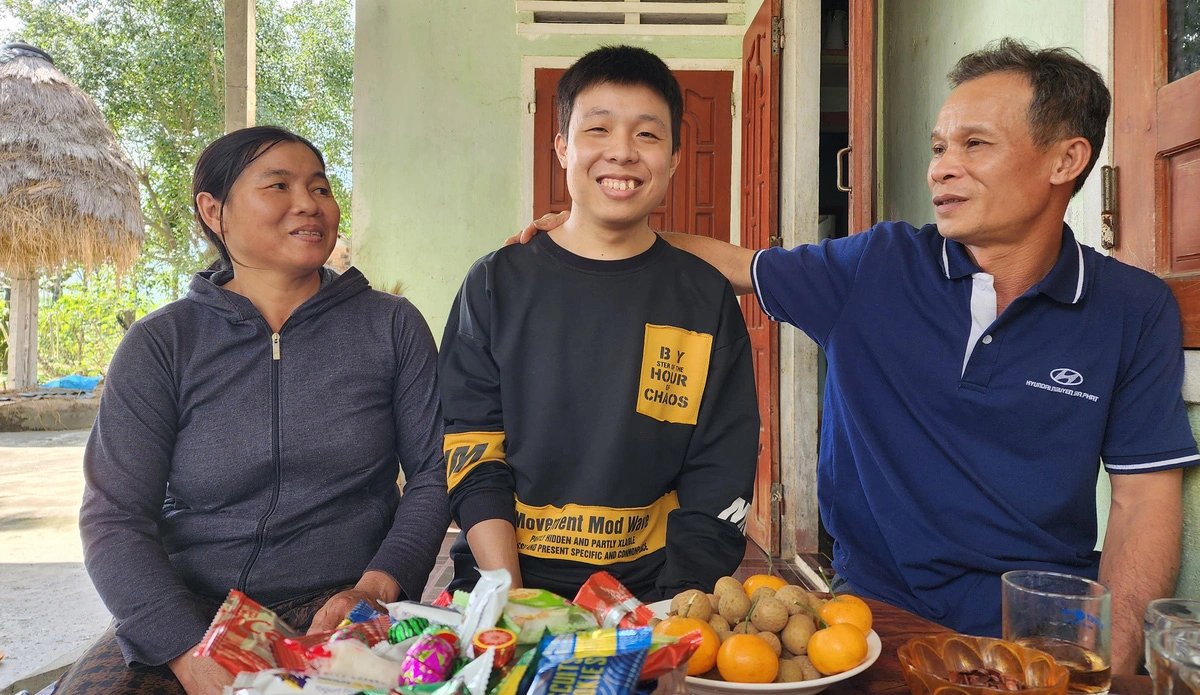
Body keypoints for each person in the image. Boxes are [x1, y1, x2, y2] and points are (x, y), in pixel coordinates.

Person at [519, 39, 1198, 674]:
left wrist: (1110, 662)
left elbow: (1143, 501)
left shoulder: (1132, 309)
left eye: (974, 144)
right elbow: (736, 265)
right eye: (938, 147)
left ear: (1065, 160)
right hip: (870, 615)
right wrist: (592, 236)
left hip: (1032, 628)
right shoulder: (876, 265)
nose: (941, 167)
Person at [59, 126, 451, 695]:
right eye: (279, 185)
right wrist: (184, 649)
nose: (308, 204)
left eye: (320, 187)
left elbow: (433, 474)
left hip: (343, 599)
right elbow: (114, 516)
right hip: (194, 606)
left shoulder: (390, 326)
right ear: (213, 210)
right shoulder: (162, 343)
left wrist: (376, 589)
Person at [440, 45, 760, 602]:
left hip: (655, 593)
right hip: (502, 582)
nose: (622, 153)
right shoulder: (495, 283)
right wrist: (511, 600)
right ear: (562, 147)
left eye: (648, 135)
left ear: (675, 158)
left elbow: (721, 464)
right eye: (598, 130)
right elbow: (472, 445)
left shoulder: (704, 297)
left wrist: (682, 601)